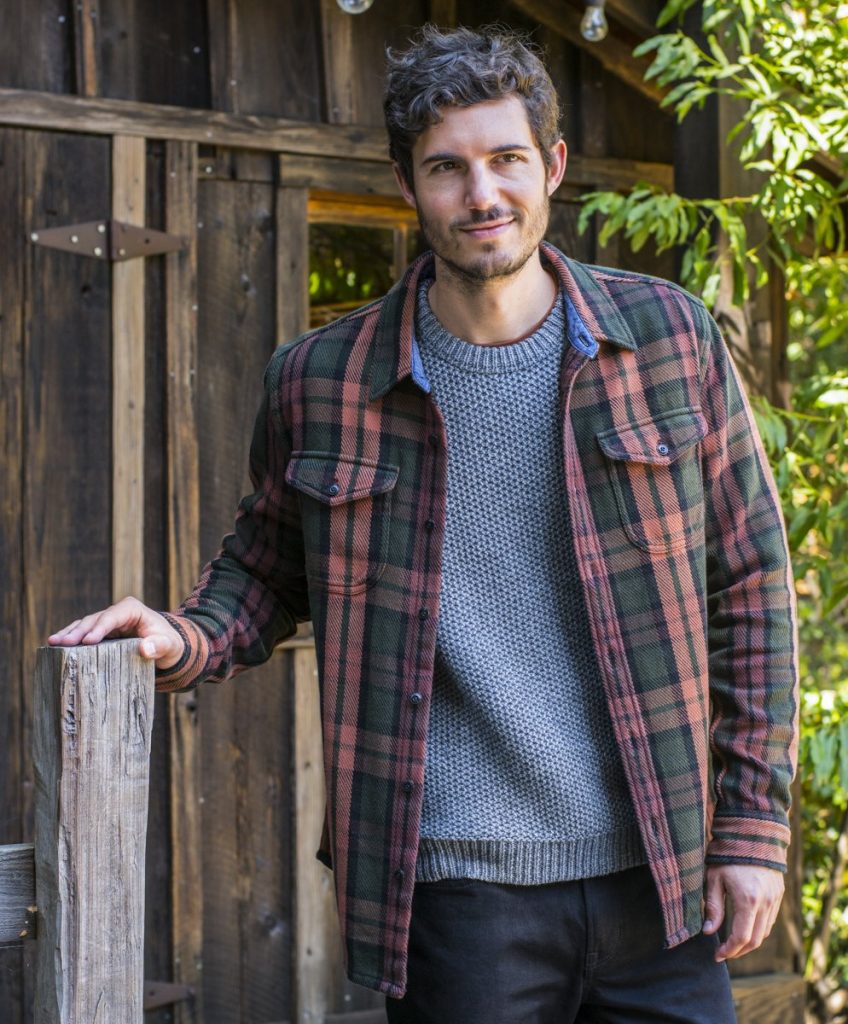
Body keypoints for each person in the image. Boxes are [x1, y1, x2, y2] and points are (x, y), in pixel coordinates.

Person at [49, 24, 798, 1024]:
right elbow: (264, 571)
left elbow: (750, 584)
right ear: (407, 184)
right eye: (447, 168)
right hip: (457, 894)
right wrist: (182, 636)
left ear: (552, 166)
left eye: (506, 159)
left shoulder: (667, 339)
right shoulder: (322, 379)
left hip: (660, 874)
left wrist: (752, 828)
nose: (482, 194)